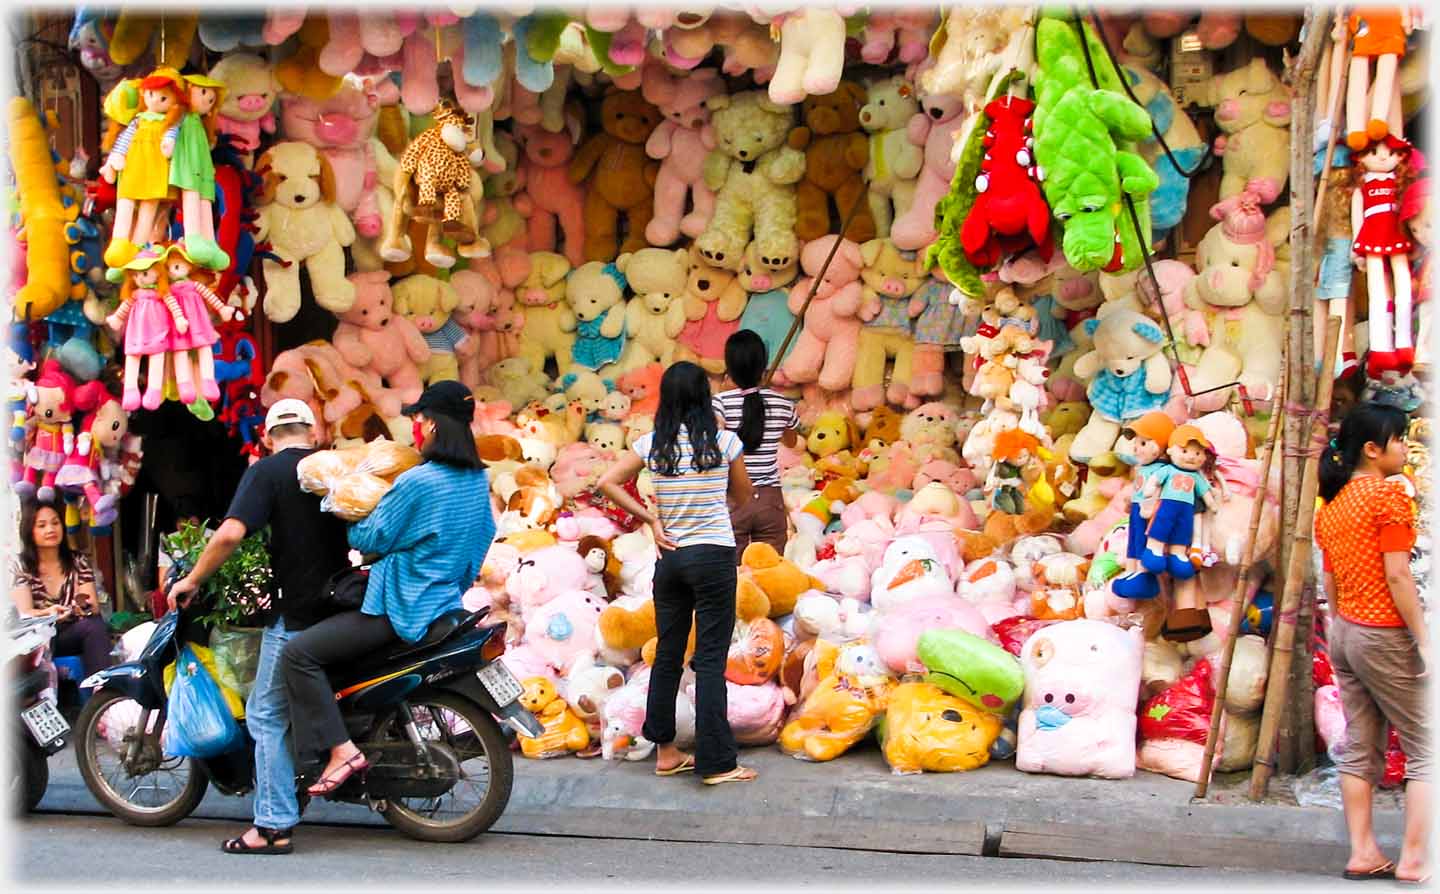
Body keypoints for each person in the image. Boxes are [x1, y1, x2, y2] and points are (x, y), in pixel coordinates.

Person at [281, 380, 495, 798]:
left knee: (298, 655)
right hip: (443, 605)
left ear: (432, 425)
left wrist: (344, 498)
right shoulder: (475, 482)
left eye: (418, 419)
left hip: (397, 608)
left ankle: (340, 750)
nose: (415, 429)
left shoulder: (420, 482)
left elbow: (370, 538)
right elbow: (480, 541)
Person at [167, 399, 351, 856]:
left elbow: (229, 534)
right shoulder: (334, 468)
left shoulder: (266, 473)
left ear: (268, 437)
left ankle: (272, 824)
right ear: (315, 430)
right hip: (345, 605)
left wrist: (192, 579)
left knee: (265, 714)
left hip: (301, 614)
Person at [597, 361, 756, 785]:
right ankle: (718, 762)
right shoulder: (724, 442)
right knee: (708, 659)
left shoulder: (653, 444)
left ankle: (665, 751)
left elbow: (607, 481)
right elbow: (744, 496)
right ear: (704, 399)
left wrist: (650, 518)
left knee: (667, 654)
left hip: (670, 559)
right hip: (713, 556)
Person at [1315, 402, 1430, 884]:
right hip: (1383, 632)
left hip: (1344, 632)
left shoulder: (1335, 504)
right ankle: (1416, 860)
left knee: (1361, 746)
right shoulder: (1388, 498)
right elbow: (1398, 575)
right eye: (1399, 439)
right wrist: (1424, 640)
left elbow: (1330, 578)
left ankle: (1363, 851)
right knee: (1428, 747)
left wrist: (1343, 627)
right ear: (1372, 449)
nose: (1405, 447)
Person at [712, 330, 800, 556]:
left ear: (729, 368)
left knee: (733, 572)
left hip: (732, 497)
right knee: (770, 568)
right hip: (770, 499)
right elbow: (791, 442)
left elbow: (715, 445)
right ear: (763, 366)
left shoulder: (720, 403)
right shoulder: (783, 403)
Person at [9, 499, 110, 677]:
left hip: (71, 631)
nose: (51, 529)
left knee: (94, 625)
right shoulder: (21, 566)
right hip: (40, 637)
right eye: (42, 525)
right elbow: (25, 613)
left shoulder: (78, 561)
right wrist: (50, 613)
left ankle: (102, 692)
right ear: (29, 531)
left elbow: (92, 604)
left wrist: (81, 608)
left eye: (55, 523)